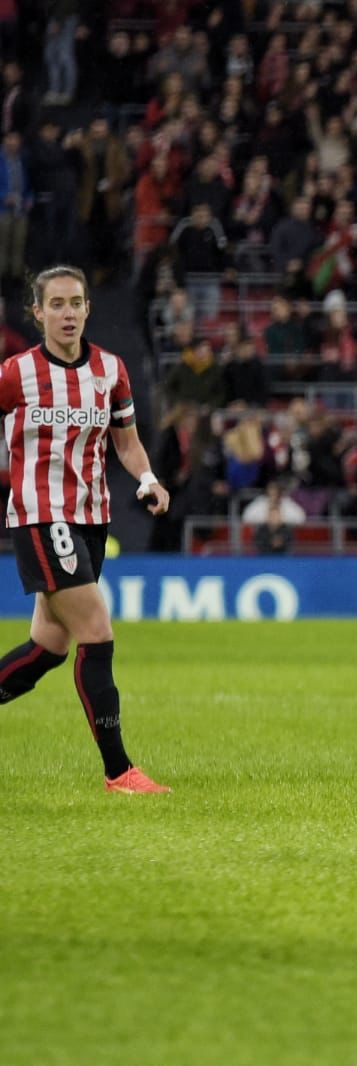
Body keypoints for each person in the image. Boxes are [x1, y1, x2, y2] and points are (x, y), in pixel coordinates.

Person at [0, 265, 172, 793]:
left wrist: (147, 477)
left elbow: (126, 440)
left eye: (76, 302)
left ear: (88, 309)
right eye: (57, 304)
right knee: (97, 633)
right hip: (40, 515)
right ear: (38, 313)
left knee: (47, 648)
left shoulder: (111, 370)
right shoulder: (15, 374)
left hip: (92, 519)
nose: (68, 312)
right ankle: (119, 771)